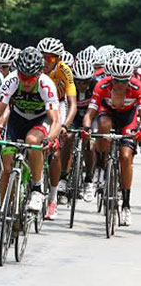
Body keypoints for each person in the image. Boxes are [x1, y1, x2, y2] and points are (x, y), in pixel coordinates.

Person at [0, 47, 61, 243]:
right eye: (23, 76)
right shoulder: (11, 80)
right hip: (17, 120)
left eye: (31, 77)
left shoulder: (46, 85)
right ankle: (3, 217)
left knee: (32, 142)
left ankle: (37, 188)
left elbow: (55, 121)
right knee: (7, 167)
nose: (27, 81)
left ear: (39, 73)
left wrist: (50, 138)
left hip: (40, 121)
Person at [82, 55, 141, 226]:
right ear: (110, 77)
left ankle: (126, 205)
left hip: (128, 119)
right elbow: (90, 114)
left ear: (129, 78)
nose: (119, 85)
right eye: (116, 80)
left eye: (124, 81)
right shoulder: (102, 85)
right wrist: (86, 129)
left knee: (125, 157)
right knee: (103, 124)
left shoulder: (137, 87)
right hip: (107, 114)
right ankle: (100, 165)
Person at [37, 37, 77, 218]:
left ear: (58, 59)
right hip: (38, 105)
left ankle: (52, 198)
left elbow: (72, 103)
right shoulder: (33, 66)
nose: (46, 61)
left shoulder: (64, 71)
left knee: (55, 151)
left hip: (58, 104)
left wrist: (65, 125)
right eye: (43, 57)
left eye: (51, 58)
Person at [61, 59, 97, 202]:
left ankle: (89, 179)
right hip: (74, 116)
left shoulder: (96, 86)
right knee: (68, 138)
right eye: (79, 82)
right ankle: (63, 176)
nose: (83, 85)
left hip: (91, 115)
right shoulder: (68, 86)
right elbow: (65, 107)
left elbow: (98, 109)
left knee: (90, 143)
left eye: (86, 81)